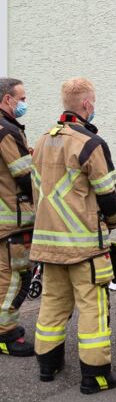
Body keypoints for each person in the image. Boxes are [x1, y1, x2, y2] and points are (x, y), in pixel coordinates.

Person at [31, 78, 116, 393]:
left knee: (52, 304)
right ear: (86, 105)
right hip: (84, 246)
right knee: (92, 308)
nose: (93, 107)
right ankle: (95, 376)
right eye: (93, 102)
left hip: (46, 242)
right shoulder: (90, 143)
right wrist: (112, 221)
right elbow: (108, 194)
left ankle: (47, 366)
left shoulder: (41, 139)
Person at [0, 78, 35, 357]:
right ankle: (5, 334)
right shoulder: (6, 132)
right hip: (12, 221)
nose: (24, 103)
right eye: (21, 98)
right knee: (14, 278)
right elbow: (24, 176)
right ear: (7, 100)